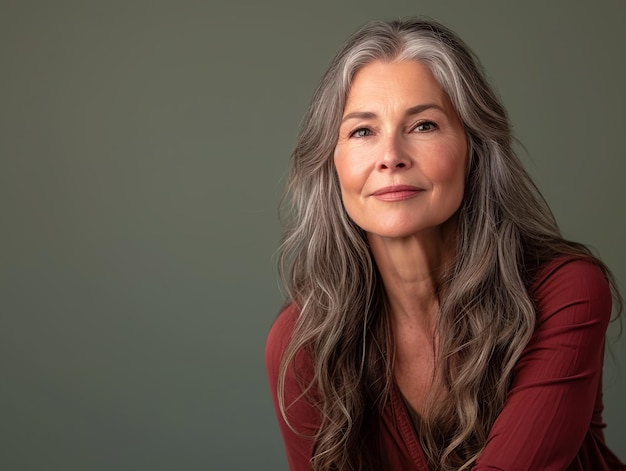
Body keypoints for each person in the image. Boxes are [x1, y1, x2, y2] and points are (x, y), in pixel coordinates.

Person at [265, 17, 625, 471]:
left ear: (473, 148)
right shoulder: (304, 344)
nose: (391, 156)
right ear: (331, 164)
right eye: (362, 131)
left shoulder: (565, 293)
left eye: (423, 126)